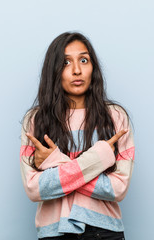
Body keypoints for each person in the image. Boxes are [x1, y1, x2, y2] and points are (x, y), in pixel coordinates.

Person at [20, 32, 135, 240]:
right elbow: (34, 189)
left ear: (93, 67)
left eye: (84, 60)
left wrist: (55, 162)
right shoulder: (35, 120)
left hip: (105, 232)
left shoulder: (115, 117)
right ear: (54, 70)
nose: (76, 70)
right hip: (54, 232)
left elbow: (117, 189)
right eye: (65, 62)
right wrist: (99, 158)